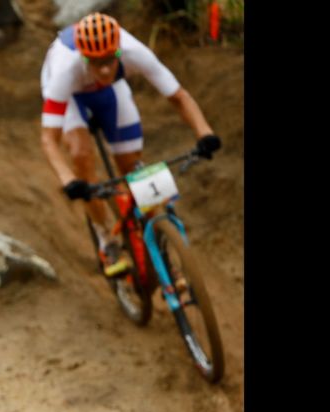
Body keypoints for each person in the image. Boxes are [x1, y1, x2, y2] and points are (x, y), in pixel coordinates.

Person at [39, 12, 222, 275]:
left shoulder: (134, 51)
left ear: (118, 51)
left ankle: (157, 231)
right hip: (72, 99)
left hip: (110, 92)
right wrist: (68, 179)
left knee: (132, 167)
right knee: (81, 155)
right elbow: (48, 139)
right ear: (83, 57)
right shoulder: (64, 70)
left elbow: (179, 97)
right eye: (95, 62)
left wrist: (205, 133)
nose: (103, 69)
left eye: (109, 60)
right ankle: (106, 239)